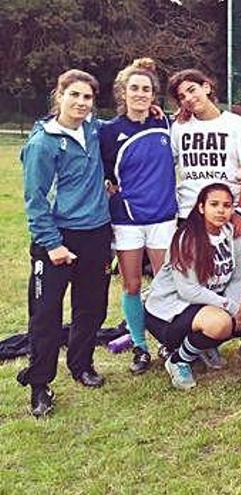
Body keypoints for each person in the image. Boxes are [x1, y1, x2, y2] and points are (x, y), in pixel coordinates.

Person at [17, 69, 112, 417]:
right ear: (59, 95)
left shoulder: (93, 129)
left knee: (91, 306)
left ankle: (81, 364)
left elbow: (120, 127)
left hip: (96, 234)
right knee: (46, 314)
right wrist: (53, 244)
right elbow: (35, 200)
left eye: (87, 97)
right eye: (74, 95)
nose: (81, 103)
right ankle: (40, 383)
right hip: (57, 240)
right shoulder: (43, 142)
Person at [168, 69, 241, 361]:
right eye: (182, 96)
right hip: (190, 214)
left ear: (207, 87)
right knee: (196, 280)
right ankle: (199, 339)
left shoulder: (235, 124)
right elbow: (167, 164)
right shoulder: (178, 127)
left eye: (192, 90)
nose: (189, 98)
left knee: (238, 275)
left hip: (229, 213)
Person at [145, 183, 241, 390]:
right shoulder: (187, 238)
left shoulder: (234, 234)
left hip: (209, 306)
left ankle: (204, 344)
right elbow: (189, 290)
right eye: (214, 204)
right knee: (220, 322)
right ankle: (179, 360)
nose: (221, 210)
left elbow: (237, 278)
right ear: (201, 207)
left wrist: (233, 307)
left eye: (227, 205)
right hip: (168, 313)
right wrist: (230, 308)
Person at [99, 58, 177, 375]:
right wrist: (107, 184)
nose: (141, 94)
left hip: (163, 217)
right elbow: (102, 172)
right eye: (134, 88)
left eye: (146, 89)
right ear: (123, 92)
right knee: (131, 285)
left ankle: (167, 341)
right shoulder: (109, 131)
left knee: (164, 284)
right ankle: (140, 346)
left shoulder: (166, 124)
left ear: (153, 95)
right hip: (127, 219)